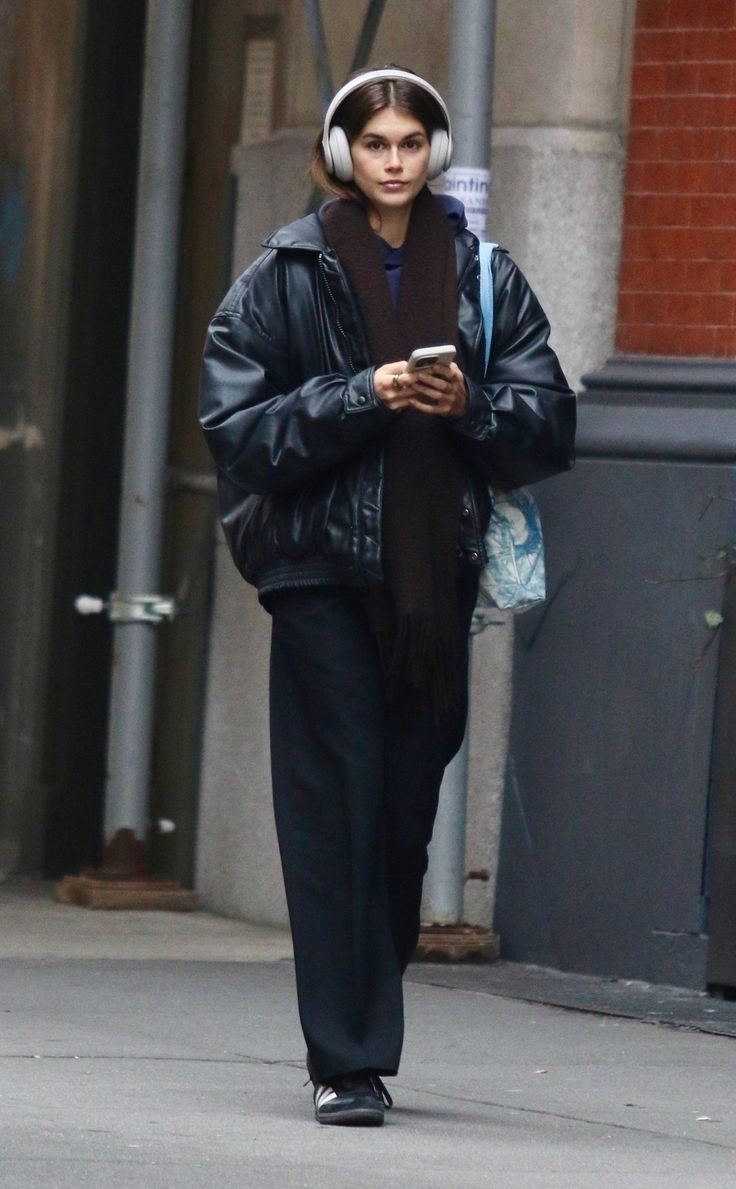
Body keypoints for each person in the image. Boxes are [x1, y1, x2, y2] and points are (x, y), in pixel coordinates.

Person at [199, 65, 576, 1127]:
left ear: (435, 152)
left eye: (411, 142)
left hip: (430, 586)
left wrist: (470, 403)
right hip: (318, 574)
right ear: (342, 154)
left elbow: (549, 423)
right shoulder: (284, 273)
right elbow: (236, 431)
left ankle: (366, 994)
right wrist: (360, 395)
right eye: (375, 145)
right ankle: (347, 1058)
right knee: (339, 811)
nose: (395, 160)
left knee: (401, 815)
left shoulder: (483, 271)